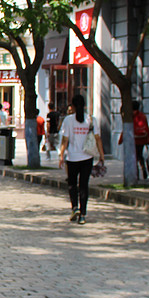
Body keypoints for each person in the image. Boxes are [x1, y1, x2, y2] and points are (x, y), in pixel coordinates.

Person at [58, 93, 104, 225]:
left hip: (72, 158)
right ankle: (83, 214)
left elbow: (65, 140)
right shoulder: (91, 119)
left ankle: (74, 208)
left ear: (72, 106)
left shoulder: (68, 120)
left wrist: (61, 156)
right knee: (84, 186)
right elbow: (97, 139)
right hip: (87, 158)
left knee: (72, 185)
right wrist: (101, 155)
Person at [118, 101, 149, 180]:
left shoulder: (130, 116)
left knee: (134, 157)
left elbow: (125, 129)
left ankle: (136, 174)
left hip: (133, 139)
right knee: (140, 155)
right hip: (142, 139)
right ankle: (143, 169)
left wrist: (120, 140)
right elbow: (147, 128)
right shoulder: (143, 116)